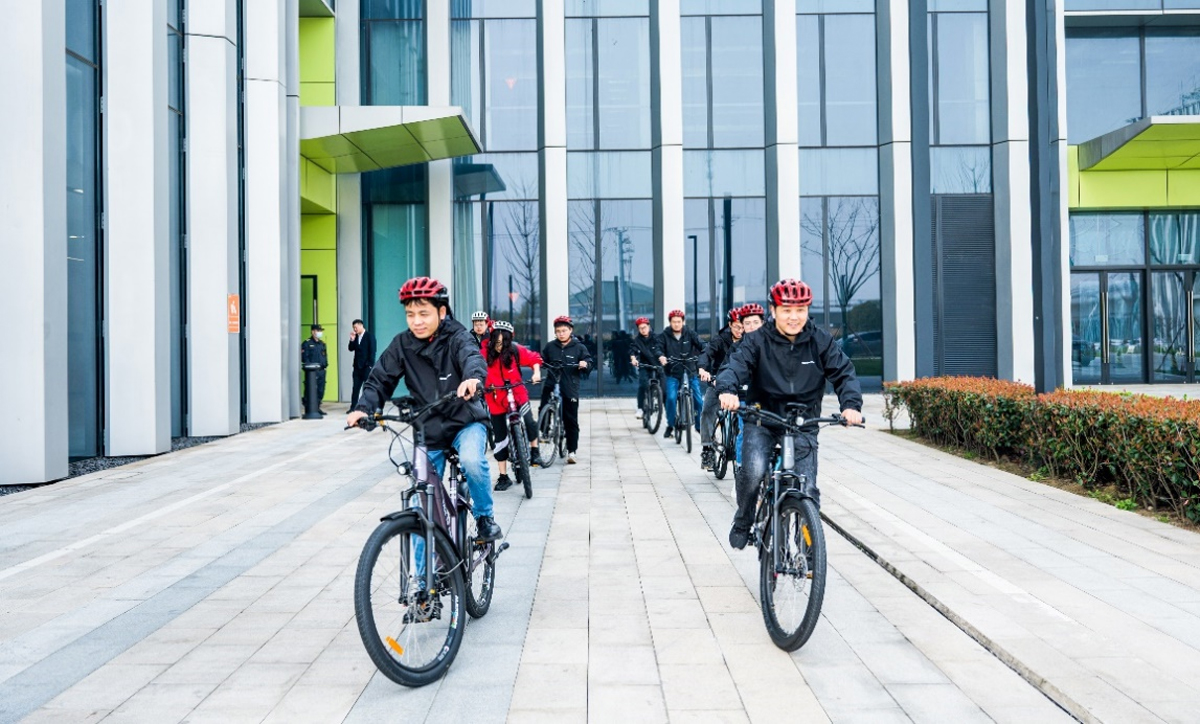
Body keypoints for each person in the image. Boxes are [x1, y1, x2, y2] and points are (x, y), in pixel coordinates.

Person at [346, 277, 501, 542]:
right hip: (428, 430)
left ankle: (485, 517)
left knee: (472, 461)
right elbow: (379, 379)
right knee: (422, 509)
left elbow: (472, 358)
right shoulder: (402, 344)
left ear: (441, 312)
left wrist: (473, 378)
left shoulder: (458, 337)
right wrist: (364, 408)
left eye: (424, 314)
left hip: (465, 421)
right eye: (410, 314)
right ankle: (422, 580)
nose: (416, 321)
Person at [716, 279, 864, 550]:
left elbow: (844, 372)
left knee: (806, 488)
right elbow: (735, 366)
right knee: (754, 472)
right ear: (773, 310)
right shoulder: (757, 340)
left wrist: (851, 405)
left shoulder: (820, 341)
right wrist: (728, 390)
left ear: (807, 310)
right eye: (786, 310)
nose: (793, 317)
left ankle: (808, 547)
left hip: (803, 423)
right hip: (762, 419)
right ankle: (744, 518)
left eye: (800, 310)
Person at [484, 321, 543, 490]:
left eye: (503, 342)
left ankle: (534, 451)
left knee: (530, 422)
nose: (499, 346)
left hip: (517, 394)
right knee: (500, 438)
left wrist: (536, 372)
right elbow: (473, 368)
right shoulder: (484, 353)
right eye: (497, 341)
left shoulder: (515, 351)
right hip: (495, 397)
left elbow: (534, 358)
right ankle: (503, 476)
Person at [540, 316, 592, 465]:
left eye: (564, 330)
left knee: (571, 420)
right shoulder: (550, 346)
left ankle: (572, 450)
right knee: (543, 406)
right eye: (558, 331)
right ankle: (545, 430)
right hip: (552, 383)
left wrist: (585, 364)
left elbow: (589, 362)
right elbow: (542, 359)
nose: (561, 334)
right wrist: (538, 363)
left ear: (570, 330)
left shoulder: (579, 347)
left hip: (570, 386)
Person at [698, 309, 744, 469]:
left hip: (741, 383)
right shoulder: (720, 340)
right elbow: (706, 353)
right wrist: (703, 368)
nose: (740, 331)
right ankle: (707, 449)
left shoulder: (750, 340)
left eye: (742, 327)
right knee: (707, 411)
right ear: (730, 325)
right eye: (737, 327)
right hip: (718, 381)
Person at [657, 310, 705, 440]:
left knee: (699, 400)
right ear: (670, 322)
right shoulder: (665, 335)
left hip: (690, 371)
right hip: (673, 372)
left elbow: (702, 344)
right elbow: (658, 347)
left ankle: (698, 426)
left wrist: (706, 353)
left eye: (679, 321)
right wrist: (661, 356)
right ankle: (671, 425)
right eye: (674, 322)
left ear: (683, 322)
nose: (677, 324)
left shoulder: (690, 333)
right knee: (671, 398)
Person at [629, 316, 662, 420]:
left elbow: (662, 348)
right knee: (643, 384)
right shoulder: (637, 340)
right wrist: (633, 359)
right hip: (644, 365)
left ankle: (659, 399)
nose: (643, 330)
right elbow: (632, 350)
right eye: (640, 328)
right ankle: (640, 408)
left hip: (657, 365)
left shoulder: (657, 338)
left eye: (644, 327)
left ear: (649, 326)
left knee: (665, 385)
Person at [348, 319, 376, 413]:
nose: (355, 329)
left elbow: (372, 352)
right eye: (353, 328)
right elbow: (351, 349)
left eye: (356, 327)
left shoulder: (369, 336)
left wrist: (370, 366)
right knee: (355, 388)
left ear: (361, 326)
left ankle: (368, 407)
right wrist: (352, 340)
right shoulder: (355, 337)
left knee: (367, 388)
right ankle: (353, 407)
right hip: (357, 367)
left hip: (366, 367)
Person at [300, 324, 328, 416]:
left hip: (321, 370)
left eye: (320, 331)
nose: (320, 332)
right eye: (318, 330)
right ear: (313, 331)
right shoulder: (307, 343)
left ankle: (317, 407)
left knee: (320, 390)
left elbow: (324, 356)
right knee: (310, 390)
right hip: (311, 372)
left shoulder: (322, 344)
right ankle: (309, 407)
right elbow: (304, 357)